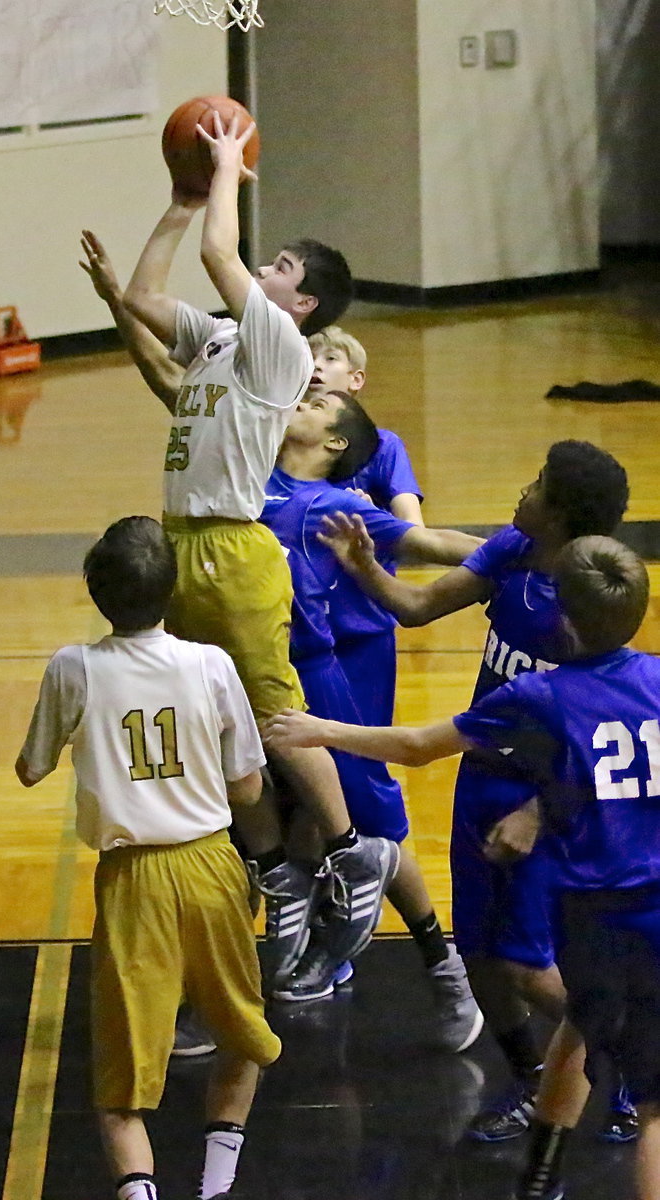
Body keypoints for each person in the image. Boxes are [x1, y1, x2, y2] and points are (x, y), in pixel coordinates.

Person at [80, 112, 396, 990]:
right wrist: (181, 203)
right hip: (183, 541)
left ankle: (347, 850)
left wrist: (225, 168)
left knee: (273, 719)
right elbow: (146, 298)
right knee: (221, 732)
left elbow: (225, 255)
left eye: (279, 270)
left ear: (301, 307)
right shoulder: (224, 336)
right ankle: (278, 871)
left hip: (231, 546)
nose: (260, 269)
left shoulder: (278, 346)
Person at [264, 536, 659, 1200]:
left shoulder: (543, 695)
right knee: (579, 1031)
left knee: (648, 1104)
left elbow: (418, 747)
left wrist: (321, 731)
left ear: (561, 617)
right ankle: (541, 1176)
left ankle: (544, 1175)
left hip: (595, 915)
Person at [15, 516, 282, 1200]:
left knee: (121, 1086)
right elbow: (248, 785)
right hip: (212, 866)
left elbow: (29, 769)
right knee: (245, 1040)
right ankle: (216, 1186)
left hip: (132, 879)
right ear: (173, 590)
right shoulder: (213, 665)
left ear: (97, 592)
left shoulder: (73, 667)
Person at [257, 387, 484, 1052]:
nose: (302, 398)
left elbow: (429, 541)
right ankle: (216, 990)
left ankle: (444, 965)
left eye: (317, 399)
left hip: (313, 676)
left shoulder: (338, 504)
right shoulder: (250, 471)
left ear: (335, 444)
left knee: (376, 826)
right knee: (249, 823)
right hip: (242, 675)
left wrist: (527, 555)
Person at [307, 324, 424, 729]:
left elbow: (414, 530)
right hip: (302, 627)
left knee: (365, 740)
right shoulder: (286, 443)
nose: (315, 366)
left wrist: (375, 518)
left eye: (329, 359)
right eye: (309, 357)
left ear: (356, 380)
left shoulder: (384, 446)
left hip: (364, 625)